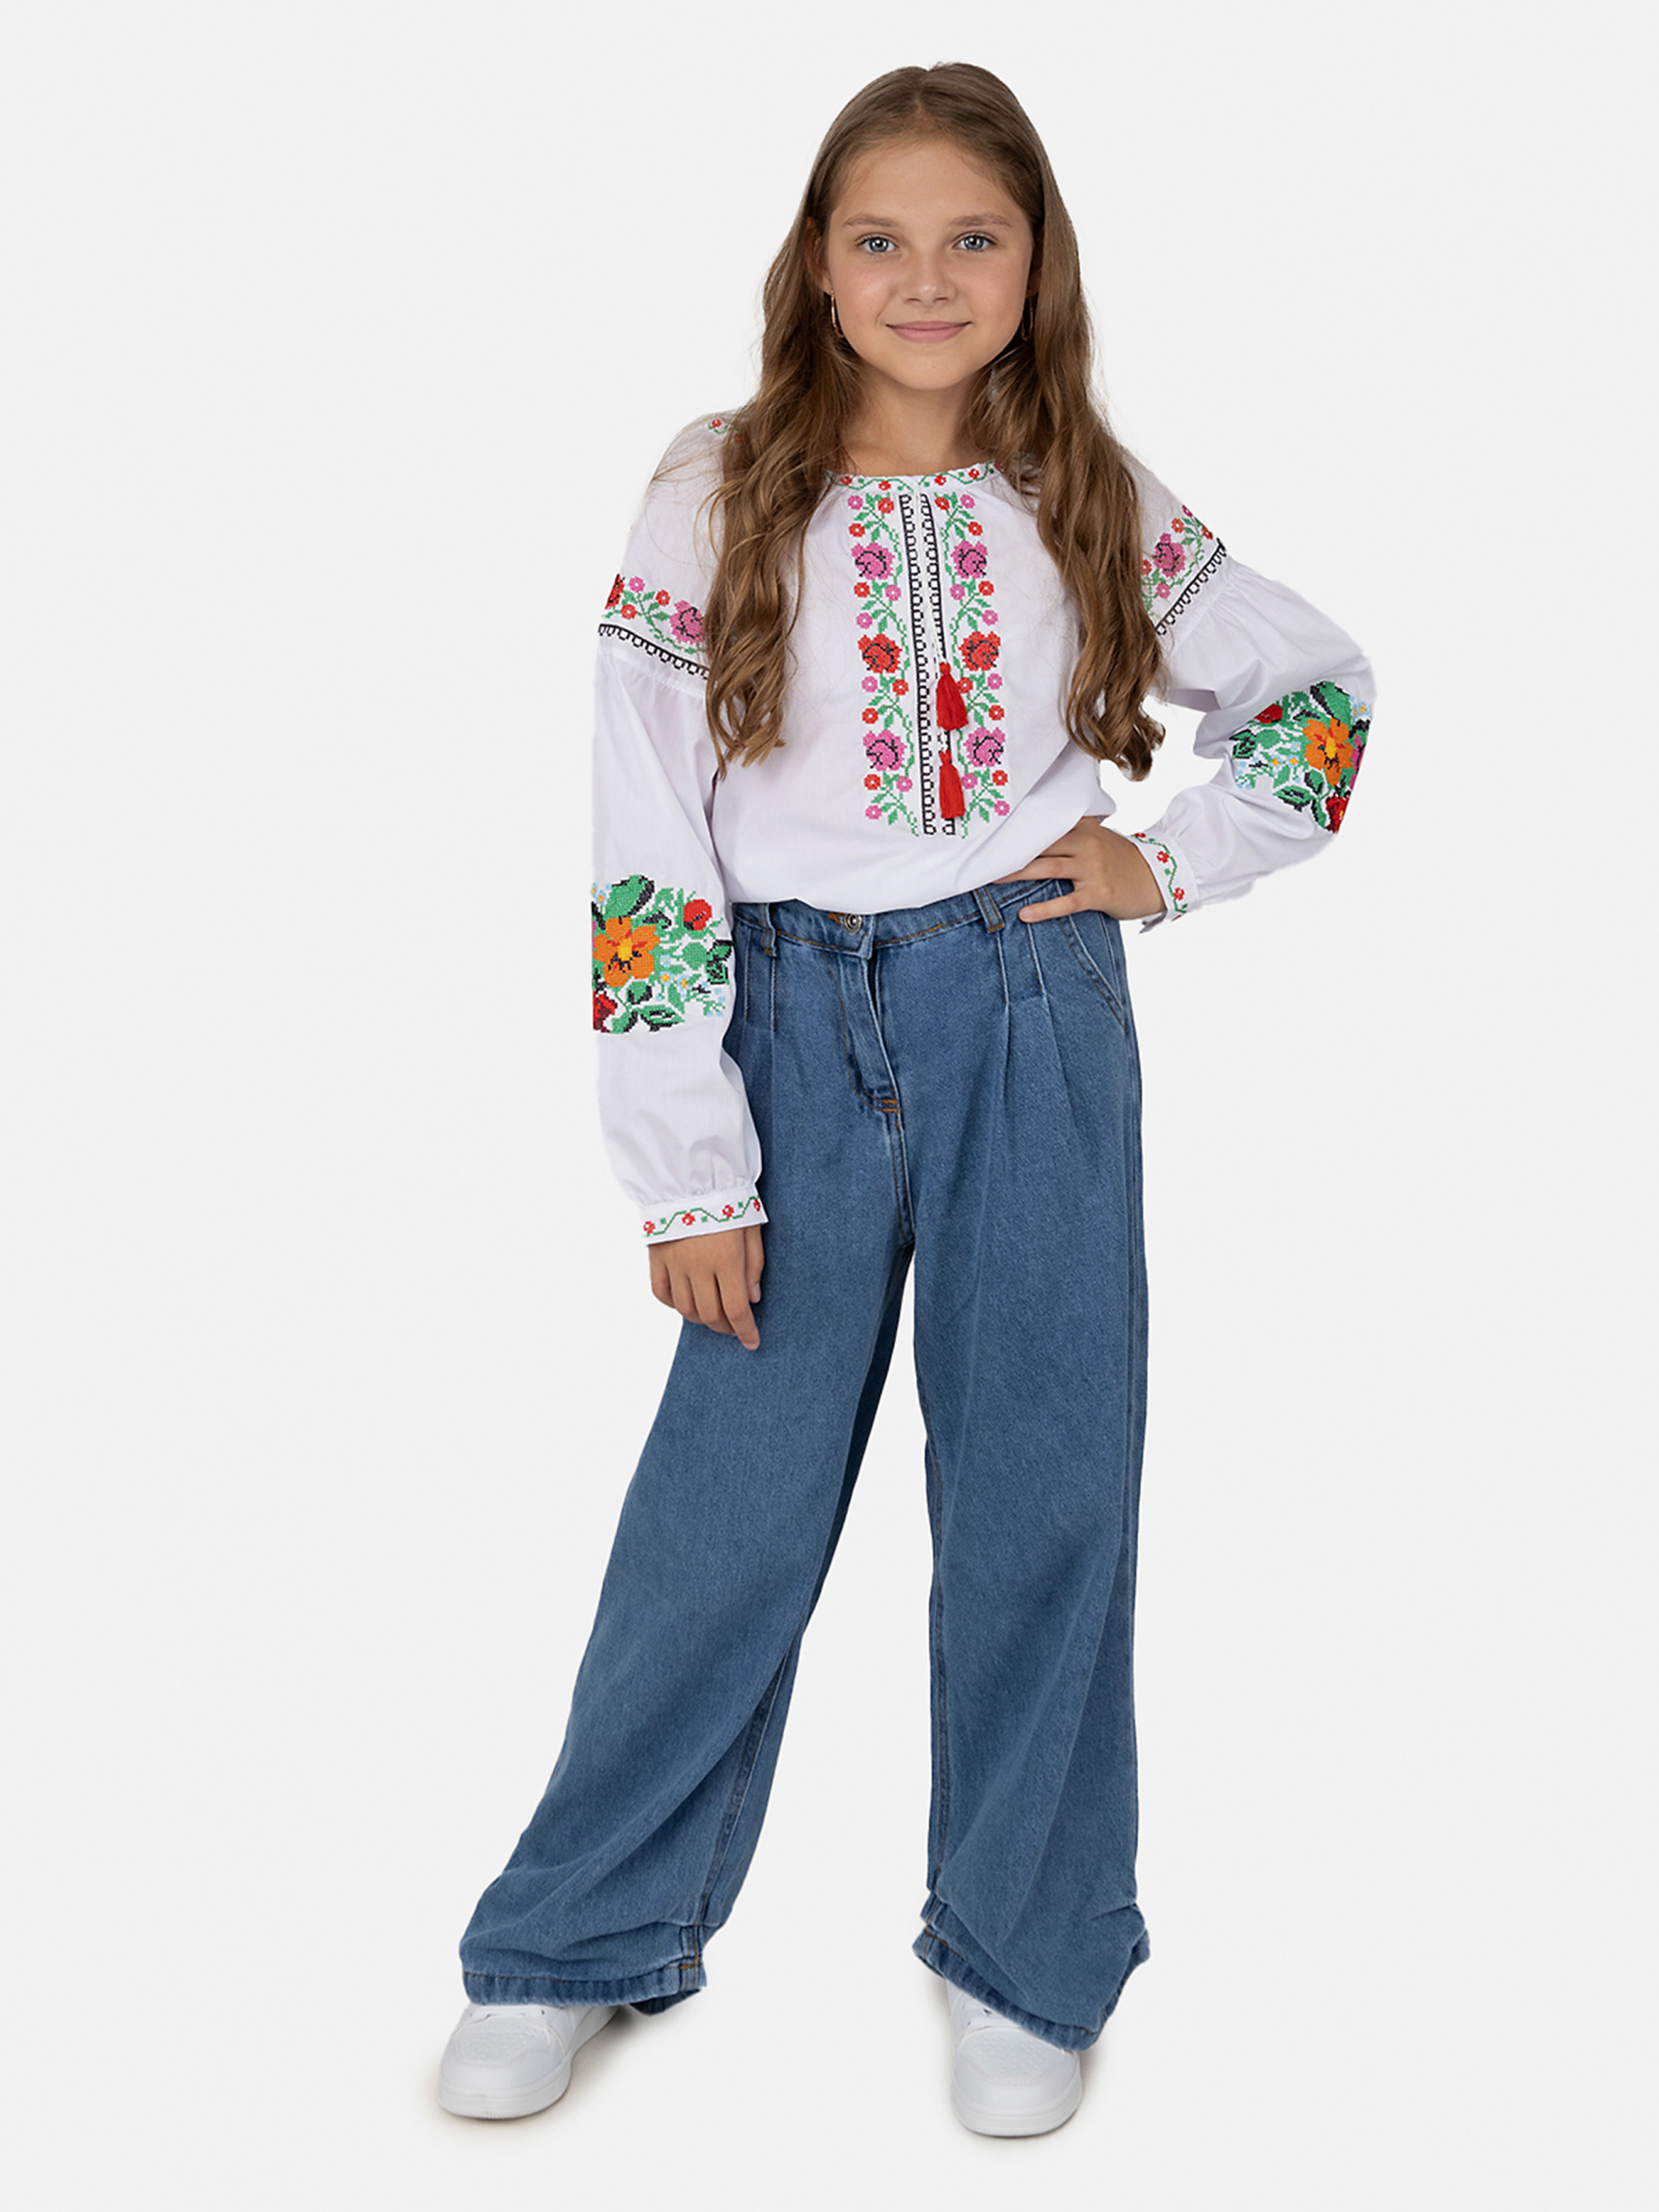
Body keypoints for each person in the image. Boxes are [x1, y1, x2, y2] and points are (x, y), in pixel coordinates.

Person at [437, 61, 1374, 2139]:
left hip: (1027, 1007)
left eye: (971, 238)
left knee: (1045, 1482)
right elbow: (640, 832)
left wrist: (1165, 860)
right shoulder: (714, 484)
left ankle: (1027, 1951)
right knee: (725, 1508)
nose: (924, 278)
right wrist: (685, 1160)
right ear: (814, 262)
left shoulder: (1083, 485)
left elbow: (1318, 693)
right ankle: (579, 1933)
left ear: (1034, 263)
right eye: (879, 238)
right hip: (782, 1026)